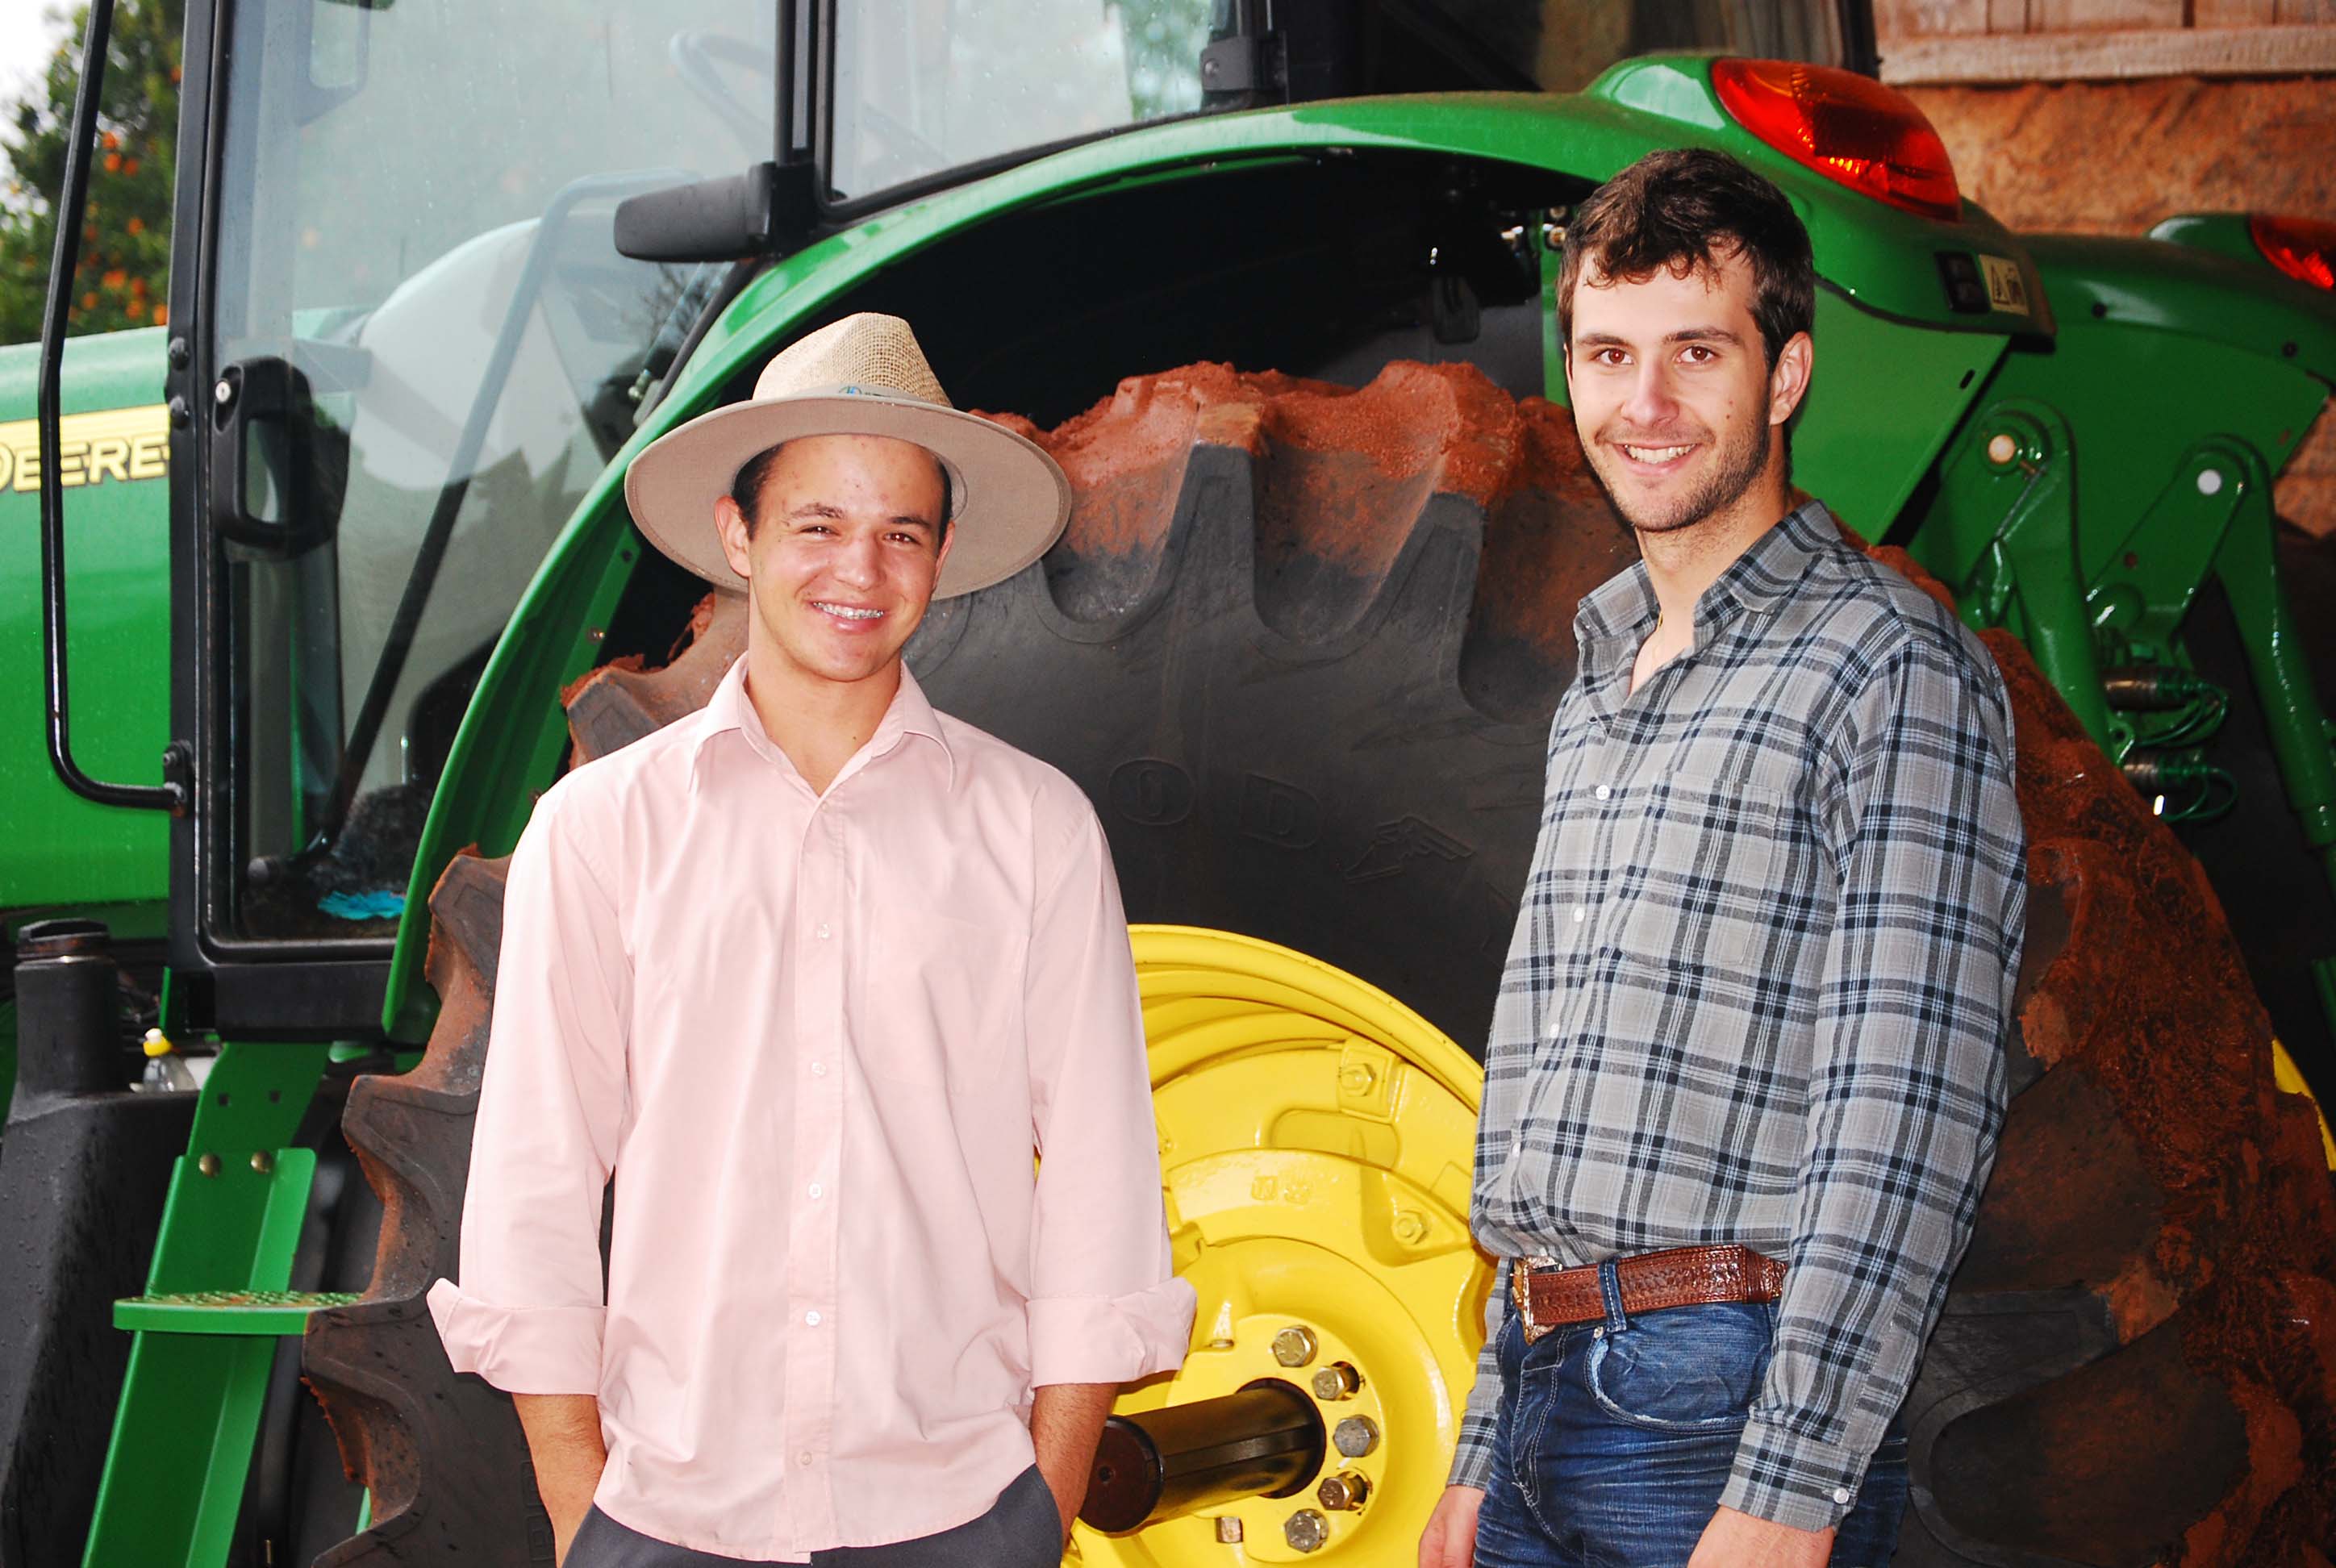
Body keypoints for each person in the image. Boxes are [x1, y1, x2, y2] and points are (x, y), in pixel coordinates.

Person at [428, 313, 1196, 1567]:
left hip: (958, 1516)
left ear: (944, 555)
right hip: (669, 1521)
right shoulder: (599, 830)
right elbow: (534, 1188)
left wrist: (1043, 1510)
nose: (862, 570)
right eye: (819, 526)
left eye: (901, 532)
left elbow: (1105, 1190)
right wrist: (584, 1522)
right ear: (740, 536)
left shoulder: (1037, 832)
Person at [1418, 150, 2028, 1568]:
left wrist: (1790, 1487)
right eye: (1607, 354)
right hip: (1544, 1391)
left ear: (1788, 372)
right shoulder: (1601, 682)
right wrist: (1480, 1441)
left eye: (1698, 352)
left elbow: (1908, 1117)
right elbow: (1550, 1101)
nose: (1645, 405)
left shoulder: (1886, 666)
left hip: (1715, 1416)